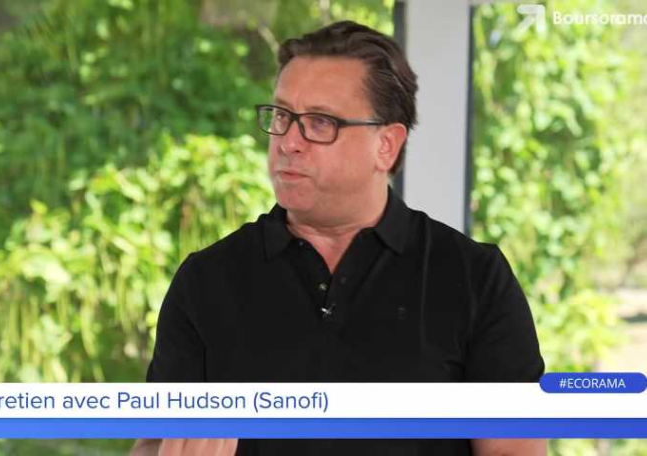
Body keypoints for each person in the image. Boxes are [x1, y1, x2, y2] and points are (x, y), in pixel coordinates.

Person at [133, 20, 545, 456]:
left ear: (386, 145)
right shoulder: (206, 281)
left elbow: (513, 450)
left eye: (319, 122)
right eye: (282, 116)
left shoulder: (475, 279)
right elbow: (154, 443)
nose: (289, 142)